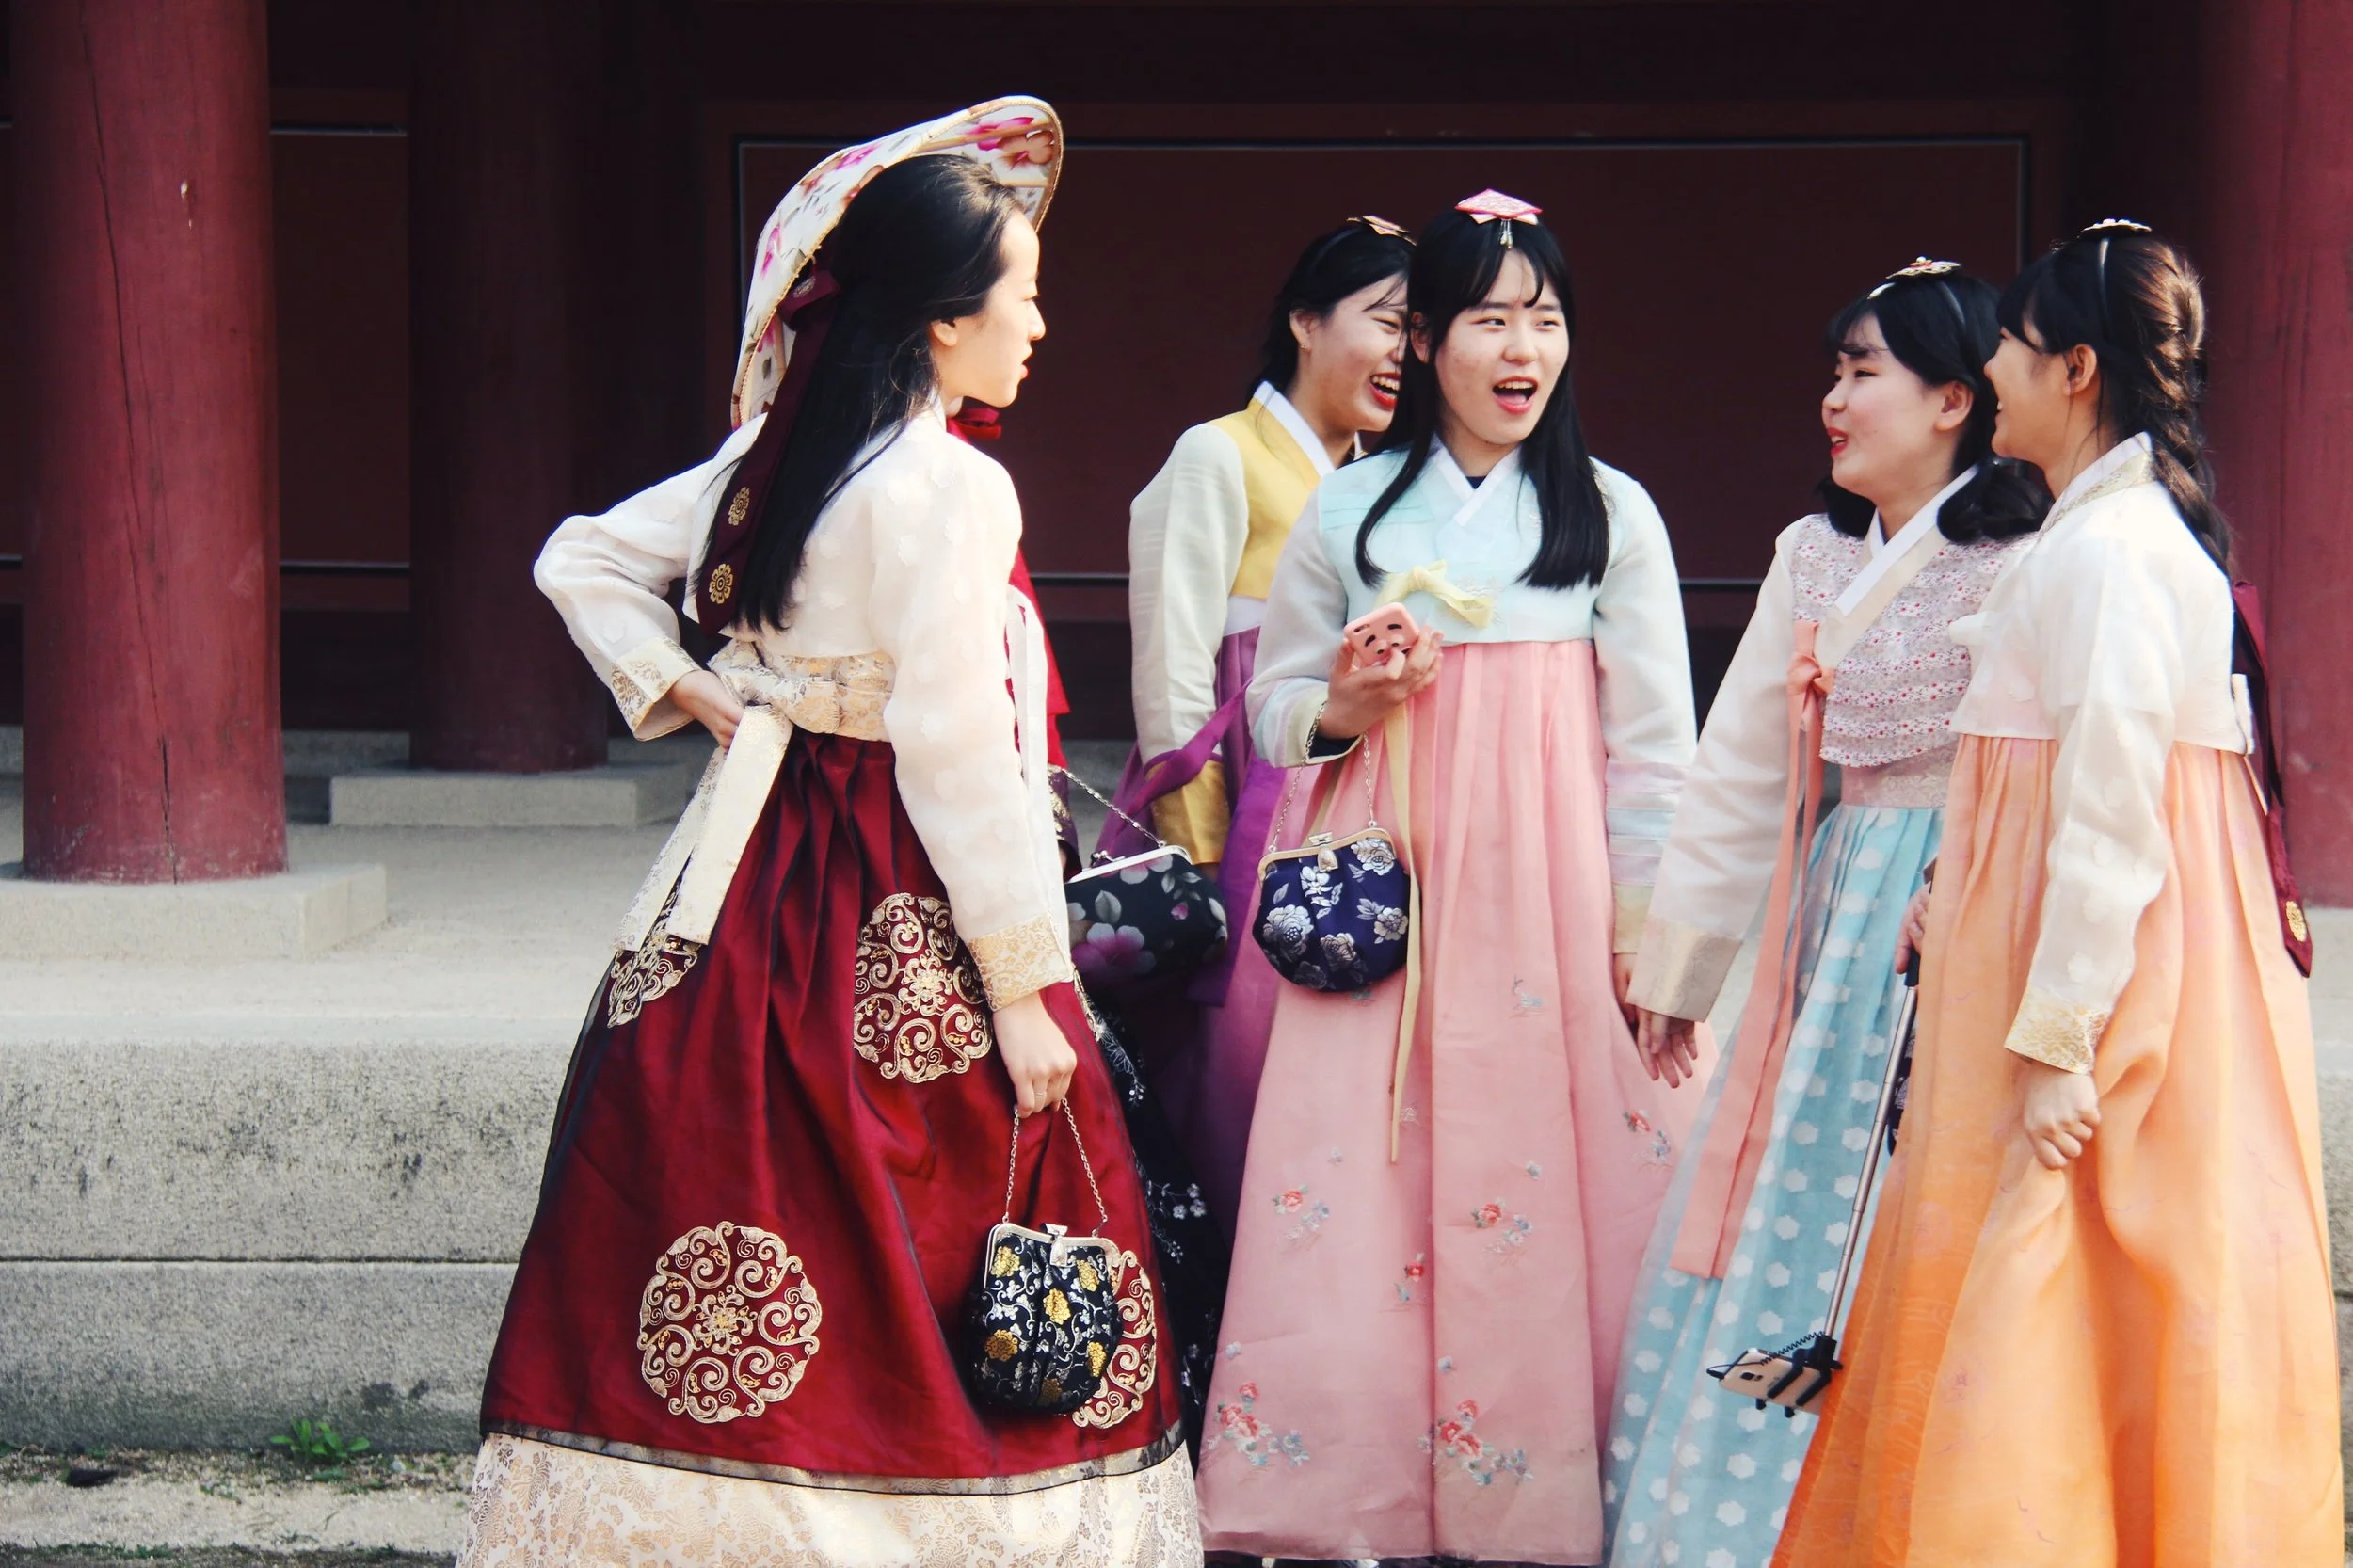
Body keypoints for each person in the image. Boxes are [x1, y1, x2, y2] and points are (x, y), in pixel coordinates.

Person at [457, 101, 1198, 1566]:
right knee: (926, 1195)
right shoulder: (951, 483)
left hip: (747, 877)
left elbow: (580, 554)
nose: (1038, 325)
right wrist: (1023, 987)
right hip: (896, 883)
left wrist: (696, 691)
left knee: (729, 1167)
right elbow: (960, 754)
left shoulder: (782, 460)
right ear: (941, 322)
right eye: (1023, 295)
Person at [1776, 222, 2342, 1564]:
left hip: (2083, 983)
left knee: (2042, 1283)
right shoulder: (2100, 539)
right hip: (2030, 954)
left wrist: (2059, 1038)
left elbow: (2108, 812)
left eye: (2017, 353)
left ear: (2077, 368)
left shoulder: (2109, 552)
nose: (1997, 374)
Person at [1194, 191, 1702, 1567]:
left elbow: (1658, 749)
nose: (1522, 343)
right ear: (1426, 342)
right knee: (1365, 1175)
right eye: (1489, 317)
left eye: (1544, 316)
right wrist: (1350, 699)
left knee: (1558, 1175)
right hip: (1392, 898)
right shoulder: (1352, 506)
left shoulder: (1611, 515)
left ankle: (1546, 1494)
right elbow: (1271, 709)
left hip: (1553, 898)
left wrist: (1651, 939)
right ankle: (1345, 1492)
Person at [1600, 260, 2047, 1567]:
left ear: (1957, 398)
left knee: (1913, 1192)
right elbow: (1740, 764)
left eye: (1863, 371)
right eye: (1836, 370)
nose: (1833, 399)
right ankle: (1745, 1509)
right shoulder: (1813, 554)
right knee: (1792, 1180)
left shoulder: (2024, 555)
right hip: (1838, 899)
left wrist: (1966, 891)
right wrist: (1681, 966)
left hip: (1954, 904)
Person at [1112, 215, 1416, 1240]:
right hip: (1238, 805)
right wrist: (1194, 858)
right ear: (1304, 322)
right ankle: (1212, 1284)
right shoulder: (1219, 455)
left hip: (1348, 794)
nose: (1402, 353)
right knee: (1230, 1053)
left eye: (1417, 332)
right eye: (1385, 322)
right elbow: (1172, 674)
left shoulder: (1382, 481)